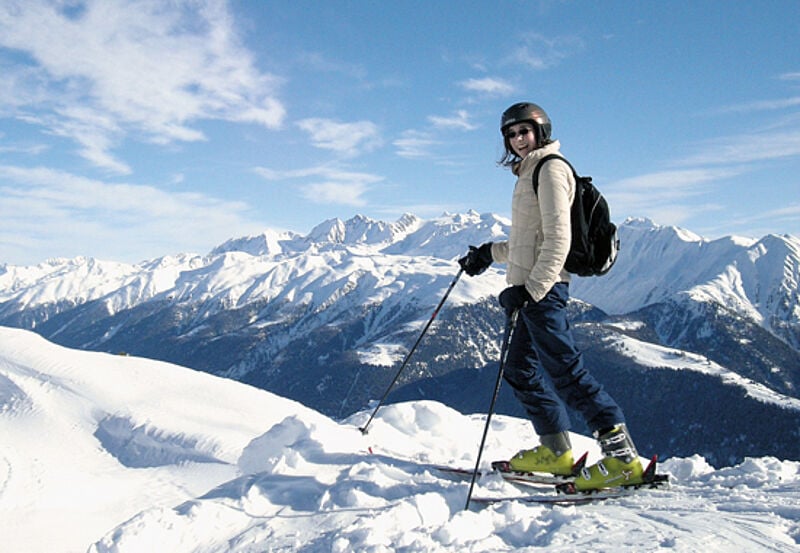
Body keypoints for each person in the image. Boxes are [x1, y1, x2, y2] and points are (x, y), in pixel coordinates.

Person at [458, 102, 644, 491]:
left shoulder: (551, 169)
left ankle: (624, 459)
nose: (517, 139)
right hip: (529, 289)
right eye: (511, 134)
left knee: (568, 375)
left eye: (524, 131)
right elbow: (530, 242)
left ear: (540, 131)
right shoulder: (528, 173)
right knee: (519, 371)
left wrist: (531, 291)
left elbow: (560, 240)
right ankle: (557, 452)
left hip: (542, 291)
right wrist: (487, 254)